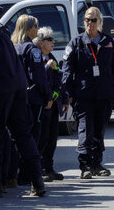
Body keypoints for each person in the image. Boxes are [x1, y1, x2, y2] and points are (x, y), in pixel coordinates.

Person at [0, 17, 46, 197]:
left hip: (1, 88)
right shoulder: (0, 30)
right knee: (22, 134)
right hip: (17, 86)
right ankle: (37, 182)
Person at [61, 7, 114, 179]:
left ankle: (97, 164)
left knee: (99, 132)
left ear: (100, 22)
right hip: (83, 95)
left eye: (94, 20)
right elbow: (67, 70)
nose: (90, 23)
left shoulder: (108, 42)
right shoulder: (76, 43)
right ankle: (85, 166)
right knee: (85, 131)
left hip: (104, 94)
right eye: (87, 20)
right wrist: (67, 92)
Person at [11, 15, 49, 186]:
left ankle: (13, 174)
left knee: (14, 138)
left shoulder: (12, 47)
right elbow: (38, 77)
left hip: (13, 99)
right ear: (28, 29)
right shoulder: (32, 49)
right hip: (32, 99)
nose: (38, 30)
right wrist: (48, 96)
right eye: (36, 26)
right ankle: (28, 176)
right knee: (32, 137)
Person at [37, 27, 68, 182]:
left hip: (54, 105)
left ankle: (49, 168)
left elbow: (59, 79)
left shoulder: (52, 58)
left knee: (52, 139)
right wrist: (46, 67)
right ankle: (41, 169)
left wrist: (63, 99)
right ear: (41, 42)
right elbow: (37, 79)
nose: (53, 42)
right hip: (43, 105)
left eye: (53, 39)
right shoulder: (37, 58)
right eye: (49, 39)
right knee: (42, 139)